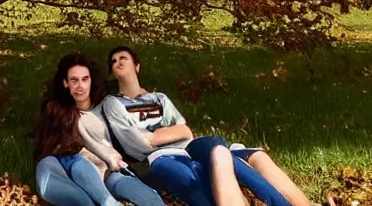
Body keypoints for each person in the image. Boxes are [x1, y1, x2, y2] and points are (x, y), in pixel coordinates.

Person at [101, 45, 314, 206]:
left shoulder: (160, 98)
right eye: (113, 61)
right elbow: (136, 144)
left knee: (236, 154)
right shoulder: (114, 103)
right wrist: (163, 135)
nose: (117, 62)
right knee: (201, 168)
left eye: (123, 58)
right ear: (111, 71)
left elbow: (185, 131)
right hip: (160, 157)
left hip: (190, 148)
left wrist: (155, 135)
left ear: (137, 66)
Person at [32, 52, 165, 206]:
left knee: (151, 199)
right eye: (74, 80)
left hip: (109, 173)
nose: (80, 86)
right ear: (65, 83)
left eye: (85, 79)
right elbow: (57, 148)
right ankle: (108, 202)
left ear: (91, 81)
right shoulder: (58, 110)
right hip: (74, 169)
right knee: (83, 192)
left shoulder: (106, 110)